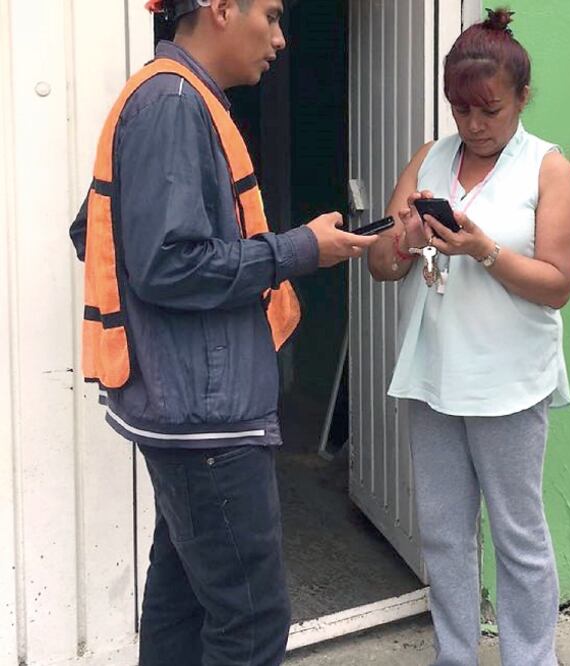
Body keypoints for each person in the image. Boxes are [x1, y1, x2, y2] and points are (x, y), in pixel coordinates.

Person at [68, 1, 378, 664]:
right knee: (251, 622)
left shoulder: (169, 97)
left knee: (183, 600)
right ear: (219, 9)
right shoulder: (175, 105)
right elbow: (165, 263)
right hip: (203, 417)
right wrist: (298, 249)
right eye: (268, 15)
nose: (279, 36)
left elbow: (95, 234)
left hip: (187, 407)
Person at [368, 8, 570, 665]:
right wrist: (402, 241)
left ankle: (528, 658)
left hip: (510, 381)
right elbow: (379, 265)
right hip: (435, 377)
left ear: (521, 97)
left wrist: (482, 248)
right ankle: (454, 656)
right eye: (459, 109)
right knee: (442, 535)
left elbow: (557, 284)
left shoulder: (547, 169)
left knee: (518, 536)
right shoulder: (428, 160)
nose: (473, 124)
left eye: (488, 108)